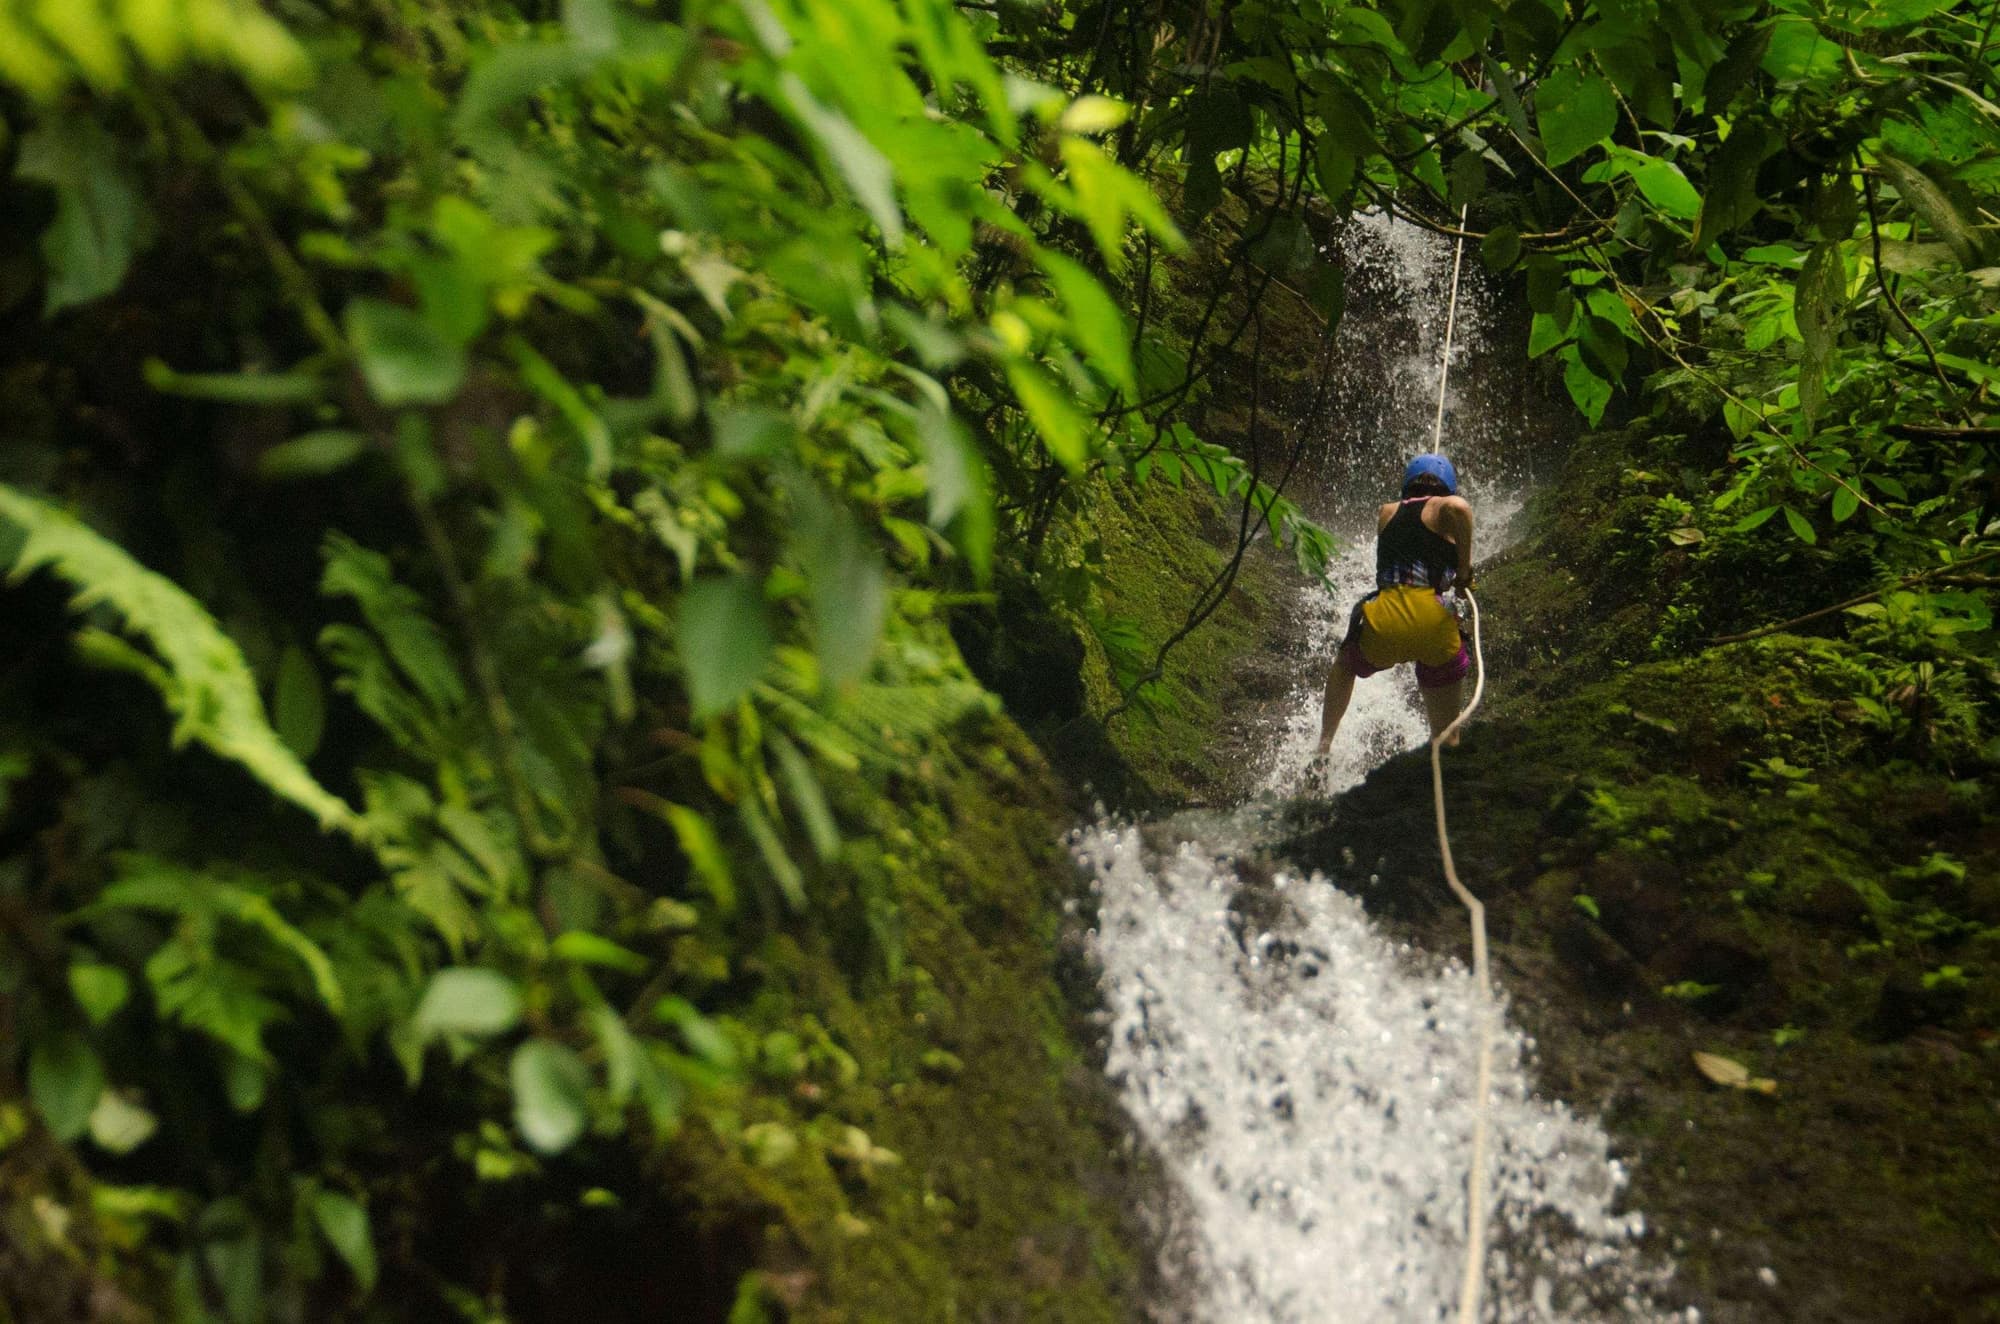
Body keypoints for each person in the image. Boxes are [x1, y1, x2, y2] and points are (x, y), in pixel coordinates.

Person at [1315, 452, 1475, 756]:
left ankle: (1324, 744)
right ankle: (1443, 767)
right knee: (1447, 736)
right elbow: (1459, 508)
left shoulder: (1386, 512)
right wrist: (1464, 571)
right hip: (1432, 622)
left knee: (1346, 664)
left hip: (1384, 622)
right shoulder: (1444, 507)